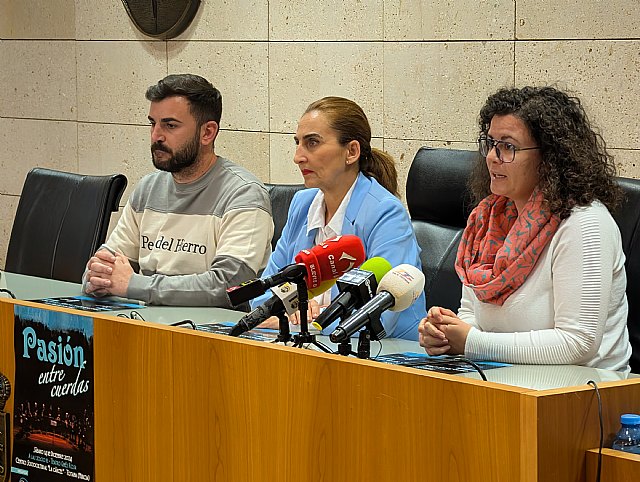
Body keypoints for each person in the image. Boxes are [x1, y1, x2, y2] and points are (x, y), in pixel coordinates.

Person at [419, 86, 631, 370]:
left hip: (582, 388)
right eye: (490, 143)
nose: (492, 156)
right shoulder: (486, 219)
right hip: (504, 380)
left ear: (550, 157)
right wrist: (447, 334)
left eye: (508, 146)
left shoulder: (584, 223)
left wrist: (471, 342)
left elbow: (578, 343)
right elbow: (472, 316)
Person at [83, 74, 273, 307]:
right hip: (145, 321)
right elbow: (103, 268)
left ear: (207, 132)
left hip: (210, 328)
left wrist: (135, 285)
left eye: (170, 125)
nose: (156, 136)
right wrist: (97, 277)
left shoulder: (244, 194)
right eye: (153, 123)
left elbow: (230, 286)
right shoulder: (147, 189)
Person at [252, 96, 426, 340]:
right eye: (298, 143)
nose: (298, 156)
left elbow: (378, 317)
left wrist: (311, 320)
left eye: (312, 143)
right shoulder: (302, 204)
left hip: (386, 353)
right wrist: (292, 308)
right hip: (310, 347)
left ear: (351, 151)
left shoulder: (386, 214)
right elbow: (262, 296)